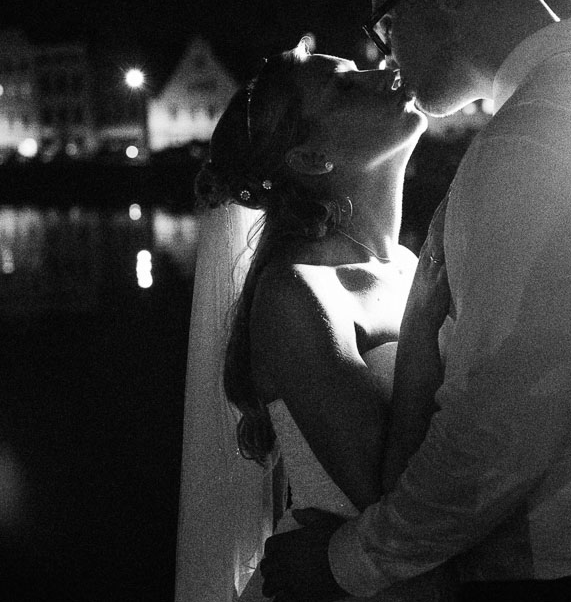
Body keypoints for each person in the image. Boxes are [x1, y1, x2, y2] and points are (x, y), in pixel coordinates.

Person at [259, 0, 571, 601]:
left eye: (388, 24)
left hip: (564, 565)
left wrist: (341, 563)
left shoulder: (530, 145)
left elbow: (496, 435)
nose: (386, 55)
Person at [174, 34, 454, 602]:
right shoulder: (297, 293)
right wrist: (424, 322)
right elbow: (388, 499)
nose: (386, 71)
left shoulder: (405, 265)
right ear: (310, 158)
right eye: (347, 85)